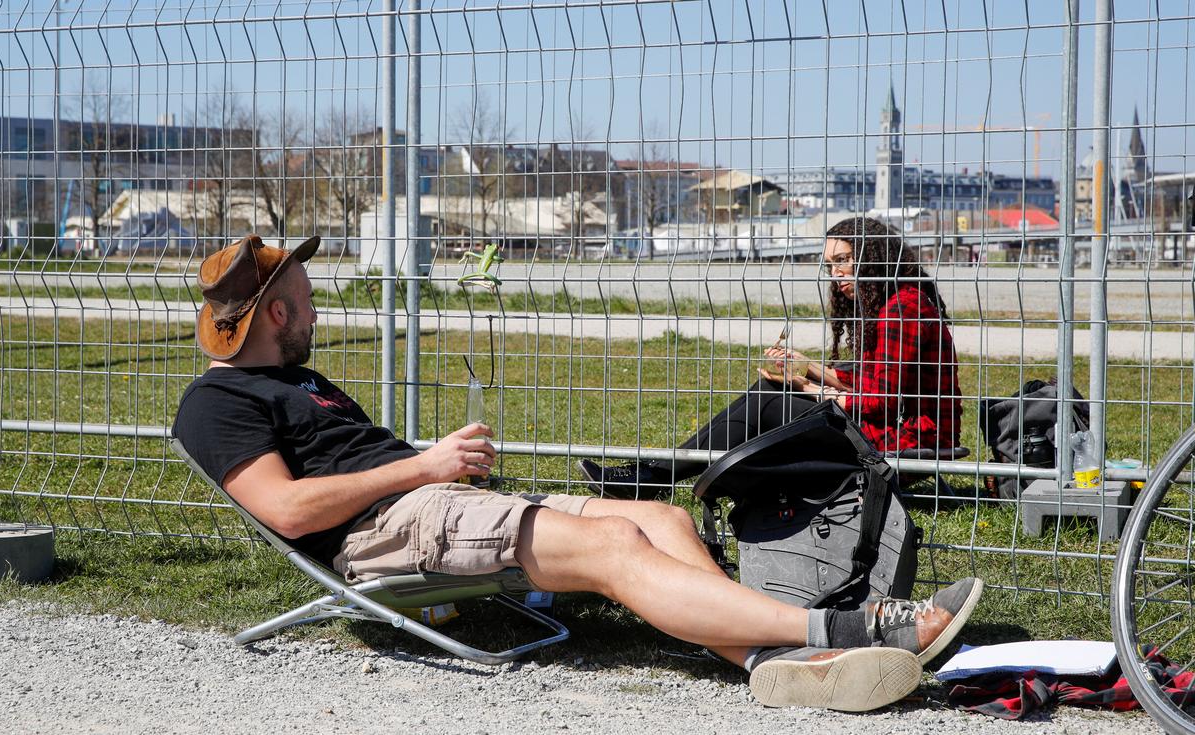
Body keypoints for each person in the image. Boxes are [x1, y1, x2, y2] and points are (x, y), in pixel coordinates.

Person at [172, 234, 983, 713]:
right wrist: (424, 464)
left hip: (434, 499)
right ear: (275, 312)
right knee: (616, 547)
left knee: (655, 517)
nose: (316, 309)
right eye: (307, 299)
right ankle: (849, 630)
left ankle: (770, 664)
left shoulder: (301, 383)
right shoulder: (218, 401)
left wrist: (434, 470)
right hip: (388, 531)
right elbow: (284, 508)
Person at [579, 216, 962, 499]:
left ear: (874, 256)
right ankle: (652, 477)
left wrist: (806, 386)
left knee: (769, 396)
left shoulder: (902, 311)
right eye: (829, 265)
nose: (836, 273)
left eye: (844, 259)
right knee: (770, 392)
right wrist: (805, 365)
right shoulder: (896, 304)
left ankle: (651, 478)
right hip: (890, 426)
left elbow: (881, 401)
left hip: (903, 438)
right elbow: (873, 384)